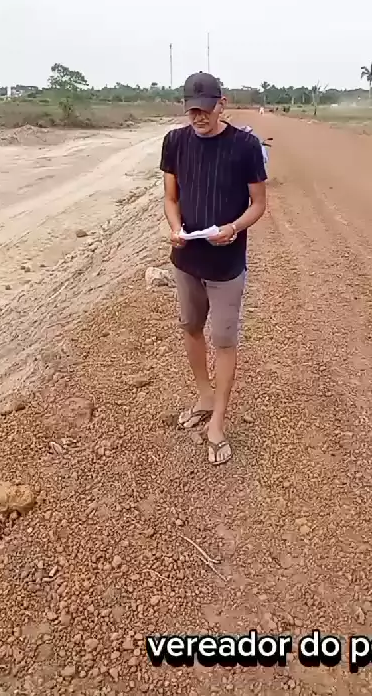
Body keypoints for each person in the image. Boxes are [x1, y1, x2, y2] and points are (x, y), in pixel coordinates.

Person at [160, 72, 267, 465]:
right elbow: (171, 198)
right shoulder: (175, 142)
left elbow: (259, 204)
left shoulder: (245, 146)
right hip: (187, 260)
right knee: (190, 327)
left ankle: (217, 422)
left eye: (205, 109)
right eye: (192, 110)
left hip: (226, 265)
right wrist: (175, 228)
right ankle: (205, 396)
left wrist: (233, 228)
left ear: (221, 104)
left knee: (223, 340)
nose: (198, 117)